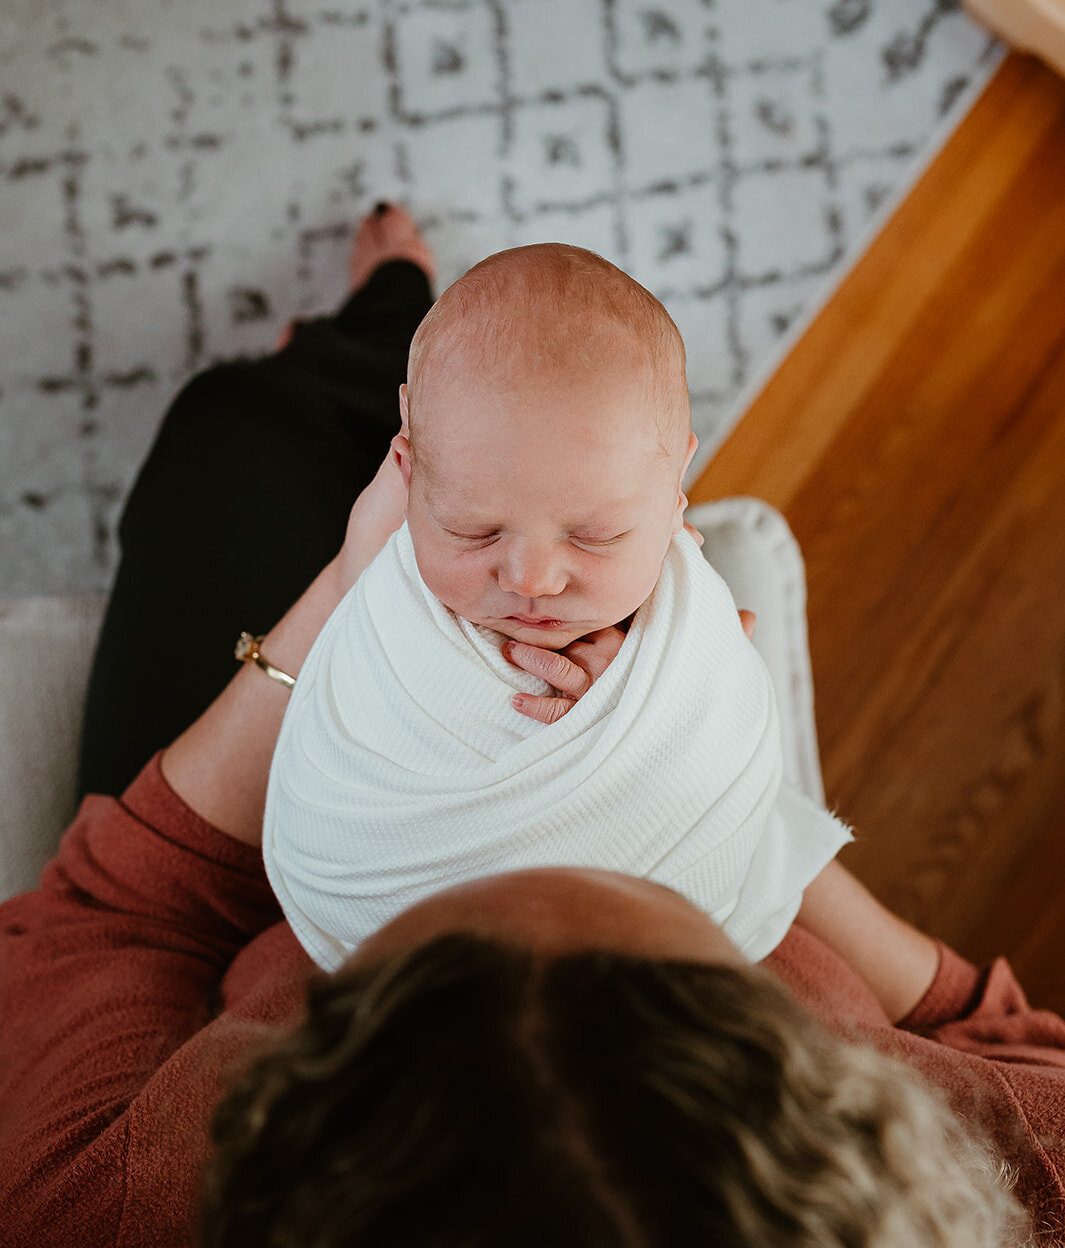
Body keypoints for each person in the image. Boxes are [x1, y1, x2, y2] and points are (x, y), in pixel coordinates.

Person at [4, 203, 1065, 1248]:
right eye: (685, 970)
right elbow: (998, 1037)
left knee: (239, 435)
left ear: (283, 1131)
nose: (534, 860)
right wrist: (697, 770)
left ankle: (366, 313)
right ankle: (393, 325)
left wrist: (352, 580)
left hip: (265, 846)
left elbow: (104, 917)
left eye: (393, 973)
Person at [263, 241, 853, 971]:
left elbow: (718, 759)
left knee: (257, 420)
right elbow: (350, 684)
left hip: (453, 961)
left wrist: (658, 699)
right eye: (473, 530)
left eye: (595, 535)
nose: (533, 579)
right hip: (384, 893)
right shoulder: (388, 572)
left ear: (675, 493)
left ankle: (356, 323)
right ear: (406, 473)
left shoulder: (677, 594)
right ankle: (366, 319)